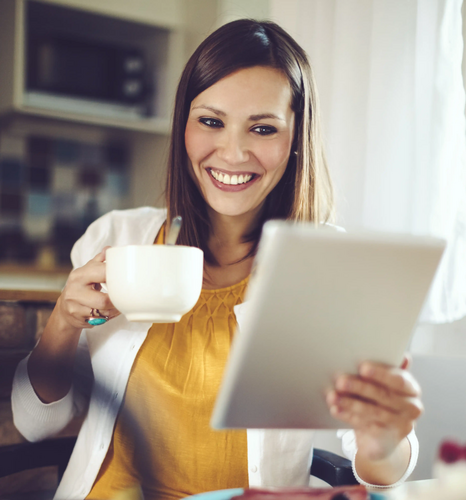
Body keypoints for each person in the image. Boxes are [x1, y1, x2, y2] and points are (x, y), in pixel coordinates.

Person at [11, 19, 422, 500]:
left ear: (295, 141)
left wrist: (383, 436)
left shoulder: (329, 270)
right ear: (183, 124)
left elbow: (383, 470)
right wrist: (64, 320)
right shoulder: (117, 237)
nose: (232, 152)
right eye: (210, 121)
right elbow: (35, 422)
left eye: (263, 128)